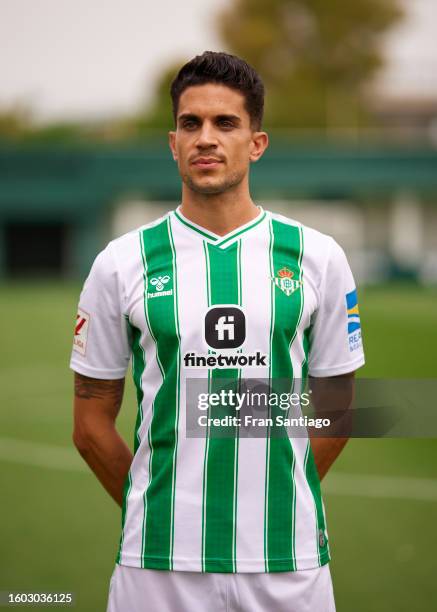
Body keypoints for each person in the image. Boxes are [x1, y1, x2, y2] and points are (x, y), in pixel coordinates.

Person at [71, 51, 365, 612]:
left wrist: (281, 499)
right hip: (156, 569)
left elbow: (338, 407)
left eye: (225, 123)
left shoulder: (317, 257)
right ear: (173, 142)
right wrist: (155, 511)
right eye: (191, 123)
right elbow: (89, 423)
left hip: (289, 566)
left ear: (256, 143)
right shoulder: (121, 262)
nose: (206, 138)